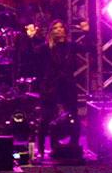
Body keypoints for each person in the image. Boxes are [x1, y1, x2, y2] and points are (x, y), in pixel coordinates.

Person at [26, 20, 80, 157]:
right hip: (51, 86)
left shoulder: (70, 46)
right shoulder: (46, 48)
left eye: (61, 27)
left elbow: (90, 48)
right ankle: (41, 149)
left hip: (67, 85)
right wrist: (31, 38)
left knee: (73, 115)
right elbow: (32, 55)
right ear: (51, 31)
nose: (59, 29)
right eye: (55, 28)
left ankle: (74, 146)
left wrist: (87, 32)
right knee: (46, 116)